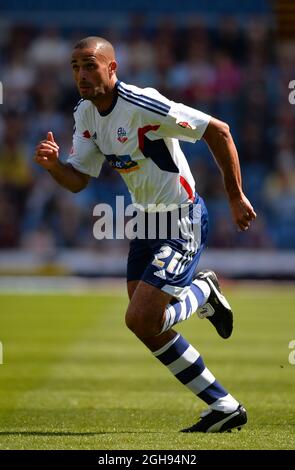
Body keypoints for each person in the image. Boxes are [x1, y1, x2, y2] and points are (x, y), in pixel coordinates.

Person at [34, 36, 256, 433]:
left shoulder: (142, 103)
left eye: (89, 65)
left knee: (140, 317)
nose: (81, 75)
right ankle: (224, 406)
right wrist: (53, 166)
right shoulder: (85, 113)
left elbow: (217, 130)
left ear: (112, 68)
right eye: (75, 67)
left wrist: (236, 196)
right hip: (146, 222)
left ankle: (203, 292)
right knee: (145, 326)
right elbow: (80, 179)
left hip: (181, 219)